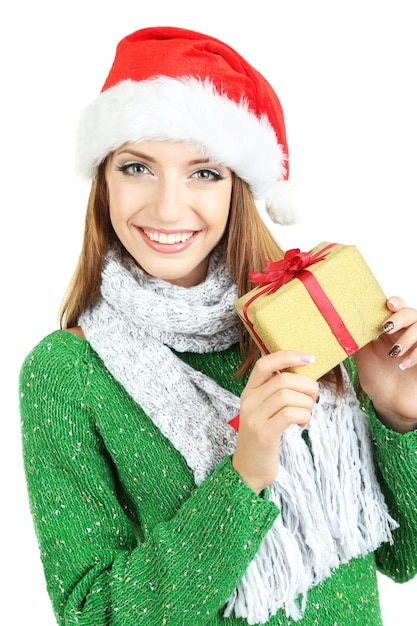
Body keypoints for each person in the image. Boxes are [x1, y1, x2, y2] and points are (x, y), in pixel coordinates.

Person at [19, 26, 417, 626]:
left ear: (239, 188)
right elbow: (91, 615)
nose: (169, 208)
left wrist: (397, 416)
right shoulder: (66, 374)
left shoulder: (308, 314)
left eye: (203, 172)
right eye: (137, 167)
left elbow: (401, 556)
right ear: (103, 180)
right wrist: (243, 476)